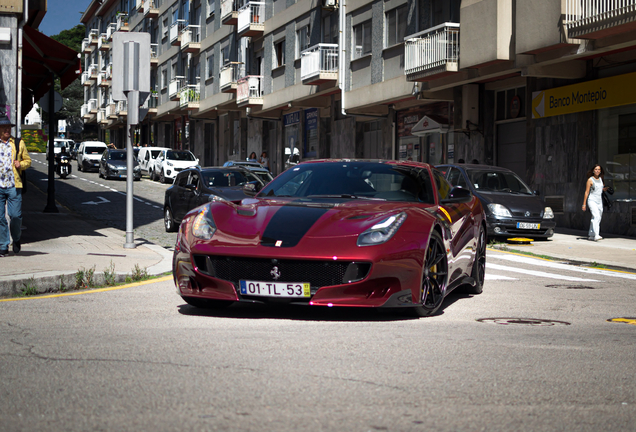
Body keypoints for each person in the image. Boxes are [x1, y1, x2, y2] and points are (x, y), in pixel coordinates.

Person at [0, 114, 32, 256]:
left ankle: (17, 238)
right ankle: (3, 245)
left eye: (9, 127)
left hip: (14, 185)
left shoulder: (18, 143)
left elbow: (28, 161)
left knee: (15, 216)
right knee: (0, 218)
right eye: (4, 127)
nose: (7, 129)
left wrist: (21, 164)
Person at [582, 164, 609, 241]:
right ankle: (596, 234)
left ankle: (591, 234)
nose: (597, 171)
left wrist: (604, 189)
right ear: (593, 170)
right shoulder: (590, 180)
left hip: (599, 201)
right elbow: (586, 192)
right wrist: (584, 204)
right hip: (592, 200)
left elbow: (601, 188)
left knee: (597, 217)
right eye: (596, 169)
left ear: (600, 171)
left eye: (599, 169)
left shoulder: (600, 179)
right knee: (596, 216)